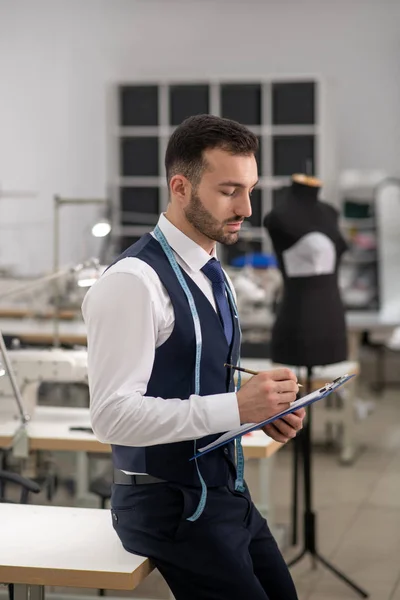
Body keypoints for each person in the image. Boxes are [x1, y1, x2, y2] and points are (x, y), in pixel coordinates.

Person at [82, 114, 305, 600]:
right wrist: (236, 408)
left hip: (225, 493)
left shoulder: (210, 268)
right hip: (167, 506)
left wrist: (259, 411)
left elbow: (198, 378)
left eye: (250, 188)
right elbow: (111, 418)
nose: (247, 207)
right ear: (181, 187)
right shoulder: (133, 283)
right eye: (229, 190)